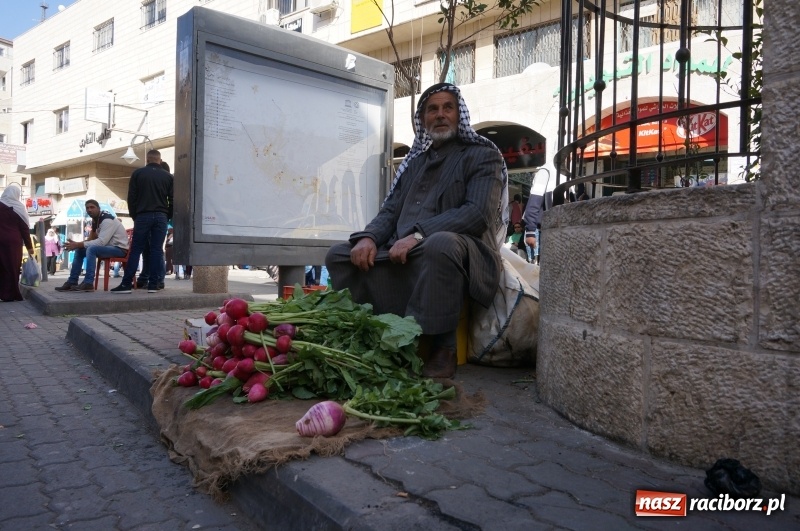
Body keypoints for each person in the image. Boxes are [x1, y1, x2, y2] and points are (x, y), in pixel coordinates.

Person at [325, 82, 508, 378]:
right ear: (422, 119)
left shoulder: (481, 156)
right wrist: (370, 237)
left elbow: (477, 214)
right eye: (432, 109)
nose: (440, 115)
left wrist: (419, 235)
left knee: (440, 245)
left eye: (448, 107)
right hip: (403, 249)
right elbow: (390, 211)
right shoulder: (414, 164)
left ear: (458, 115)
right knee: (339, 255)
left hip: (461, 252)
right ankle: (366, 334)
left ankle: (443, 347)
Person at [112, 150, 173, 294]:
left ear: (147, 159)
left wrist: (135, 215)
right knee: (157, 250)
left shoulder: (138, 174)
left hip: (142, 215)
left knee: (136, 250)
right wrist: (167, 215)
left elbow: (131, 197)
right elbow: (172, 199)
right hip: (161, 216)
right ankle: (153, 284)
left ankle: (126, 284)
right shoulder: (168, 177)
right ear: (160, 160)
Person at [54, 200, 129, 292]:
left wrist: (78, 244)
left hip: (119, 249)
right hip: (108, 247)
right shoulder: (95, 220)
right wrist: (77, 245)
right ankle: (72, 281)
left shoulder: (107, 220)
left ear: (98, 209)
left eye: (92, 207)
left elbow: (101, 242)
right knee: (80, 251)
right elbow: (91, 239)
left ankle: (88, 283)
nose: (89, 210)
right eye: (87, 208)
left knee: (91, 249)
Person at [0, 185, 36, 302]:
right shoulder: (19, 207)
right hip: (13, 243)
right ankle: (10, 294)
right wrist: (30, 247)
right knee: (12, 267)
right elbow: (24, 230)